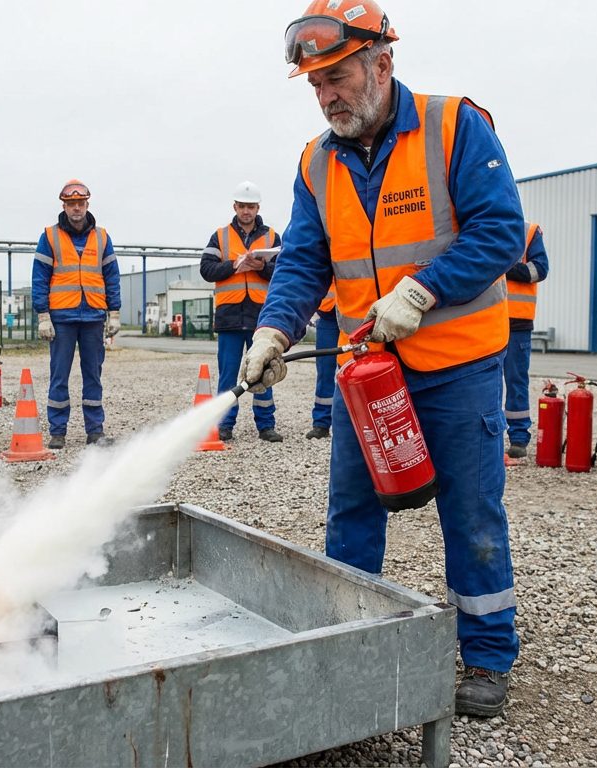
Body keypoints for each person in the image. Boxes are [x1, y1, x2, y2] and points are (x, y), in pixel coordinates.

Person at [242, 0, 523, 717]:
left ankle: (487, 656)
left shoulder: (455, 125)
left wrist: (422, 291)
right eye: (316, 84)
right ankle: (349, 640)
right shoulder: (316, 160)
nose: (328, 95)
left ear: (383, 63)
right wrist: (275, 331)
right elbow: (305, 260)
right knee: (354, 511)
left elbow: (500, 233)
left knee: (472, 515)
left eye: (337, 76)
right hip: (368, 371)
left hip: (457, 366)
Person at [32, 179, 122, 448]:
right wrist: (42, 315)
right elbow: (40, 278)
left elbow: (111, 276)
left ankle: (95, 430)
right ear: (64, 206)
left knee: (93, 375)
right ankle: (57, 431)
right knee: (59, 375)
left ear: (87, 205)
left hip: (93, 316)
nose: (76, 209)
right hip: (62, 318)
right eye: (71, 204)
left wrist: (114, 312)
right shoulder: (49, 237)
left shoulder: (102, 237)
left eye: (80, 203)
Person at [200, 181, 284, 442]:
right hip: (230, 316)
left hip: (262, 316)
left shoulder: (272, 237)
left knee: (264, 372)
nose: (246, 211)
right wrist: (234, 265)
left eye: (251, 206)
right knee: (228, 375)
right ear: (235, 207)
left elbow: (283, 272)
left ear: (258, 207)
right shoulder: (220, 236)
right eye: (242, 206)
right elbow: (207, 270)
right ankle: (225, 425)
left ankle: (266, 425)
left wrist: (260, 267)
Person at [503, 223, 548, 458]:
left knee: (515, 381)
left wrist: (504, 266)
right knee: (480, 384)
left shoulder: (529, 232)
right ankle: (485, 438)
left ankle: (519, 438)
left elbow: (539, 269)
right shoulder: (475, 225)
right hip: (483, 321)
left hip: (517, 322)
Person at [308, 283, 339, 439]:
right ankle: (321, 423)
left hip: (357, 313)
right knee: (325, 371)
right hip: (328, 315)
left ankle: (360, 422)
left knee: (359, 371)